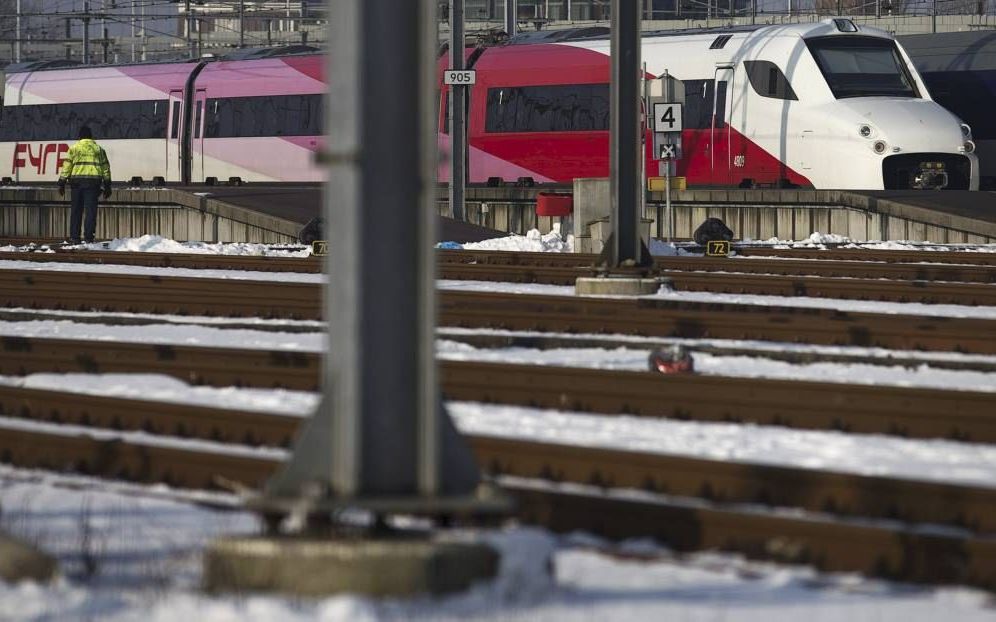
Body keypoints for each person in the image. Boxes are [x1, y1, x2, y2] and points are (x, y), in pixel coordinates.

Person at [58, 126, 112, 244]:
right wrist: (107, 185)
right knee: (90, 212)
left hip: (76, 184)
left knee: (76, 210)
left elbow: (67, 166)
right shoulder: (99, 150)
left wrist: (62, 182)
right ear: (91, 136)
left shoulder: (74, 149)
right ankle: (88, 238)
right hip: (93, 184)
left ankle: (74, 237)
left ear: (80, 136)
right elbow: (105, 168)